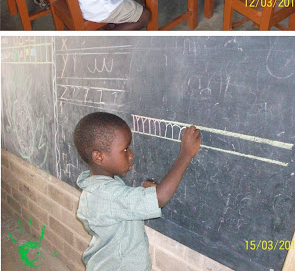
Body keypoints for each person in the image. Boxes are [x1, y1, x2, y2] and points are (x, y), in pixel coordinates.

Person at [74, 112, 201, 271]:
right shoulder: (108, 195)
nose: (131, 155)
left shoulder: (95, 187)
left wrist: (144, 194)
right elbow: (159, 198)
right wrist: (186, 154)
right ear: (99, 157)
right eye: (125, 149)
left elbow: (121, 205)